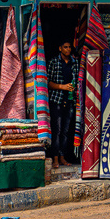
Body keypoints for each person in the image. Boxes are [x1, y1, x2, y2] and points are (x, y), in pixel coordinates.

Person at [47, 36, 80, 166]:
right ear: (60, 48)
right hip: (57, 100)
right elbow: (47, 83)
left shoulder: (75, 63)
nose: (68, 49)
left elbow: (78, 81)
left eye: (69, 47)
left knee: (65, 132)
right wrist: (62, 87)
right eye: (65, 47)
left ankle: (62, 157)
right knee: (57, 130)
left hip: (70, 101)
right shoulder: (53, 62)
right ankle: (54, 158)